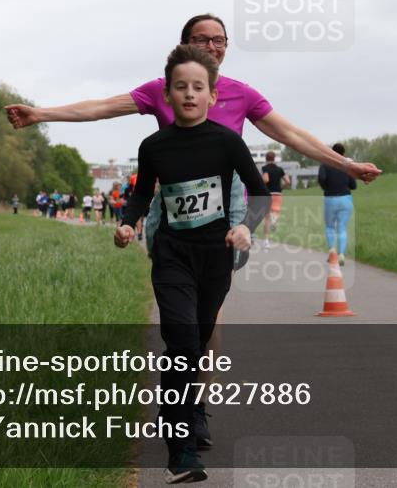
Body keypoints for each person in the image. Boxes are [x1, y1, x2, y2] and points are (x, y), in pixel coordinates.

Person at [5, 14, 382, 448]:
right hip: (171, 205)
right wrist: (42, 114)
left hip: (231, 205)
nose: (211, 46)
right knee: (179, 309)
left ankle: (195, 406)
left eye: (219, 40)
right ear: (184, 45)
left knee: (210, 315)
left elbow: (292, 133)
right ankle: (181, 403)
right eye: (201, 39)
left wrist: (346, 165)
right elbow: (101, 107)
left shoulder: (241, 95)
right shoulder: (162, 91)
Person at [114, 44, 270, 484]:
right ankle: (181, 452)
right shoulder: (154, 146)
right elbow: (143, 193)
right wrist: (128, 223)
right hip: (173, 255)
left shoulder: (228, 143)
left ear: (212, 96)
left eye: (197, 87)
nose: (188, 94)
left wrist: (245, 229)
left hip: (215, 256)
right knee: (180, 338)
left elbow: (259, 194)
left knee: (196, 344)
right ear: (167, 94)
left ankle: (176, 410)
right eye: (180, 87)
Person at [317, 144, 357, 267]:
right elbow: (353, 185)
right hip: (346, 199)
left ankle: (332, 251)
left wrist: (326, 187)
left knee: (329, 227)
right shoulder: (347, 166)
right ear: (343, 153)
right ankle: (341, 254)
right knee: (342, 227)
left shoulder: (325, 164)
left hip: (330, 198)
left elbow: (321, 178)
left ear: (332, 152)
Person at [261, 151, 291, 248]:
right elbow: (287, 181)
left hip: (268, 194)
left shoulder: (265, 168)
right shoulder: (279, 169)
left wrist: (261, 185)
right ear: (274, 159)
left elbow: (266, 179)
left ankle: (266, 241)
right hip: (277, 193)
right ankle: (274, 220)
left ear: (266, 159)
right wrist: (281, 188)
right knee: (276, 212)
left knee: (267, 218)